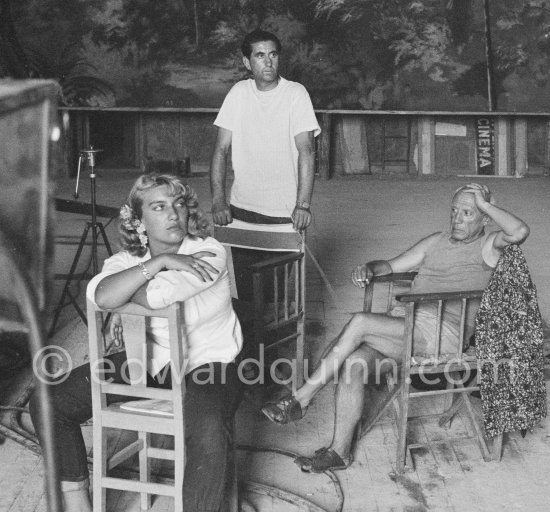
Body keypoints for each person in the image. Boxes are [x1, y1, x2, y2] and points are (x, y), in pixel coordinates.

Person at [261, 183, 530, 473]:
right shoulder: (435, 242)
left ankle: (301, 398)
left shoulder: (488, 247)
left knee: (360, 322)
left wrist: (485, 203)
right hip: (406, 328)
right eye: (454, 211)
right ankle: (339, 453)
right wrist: (369, 268)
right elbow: (388, 266)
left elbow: (520, 232)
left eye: (467, 213)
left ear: (484, 218)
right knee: (354, 362)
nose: (457, 218)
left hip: (441, 337)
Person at [30, 174, 243, 512]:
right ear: (139, 220)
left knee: (208, 425)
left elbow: (161, 296)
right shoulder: (127, 260)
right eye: (159, 207)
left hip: (209, 365)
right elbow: (98, 293)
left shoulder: (209, 251)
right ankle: (77, 502)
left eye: (179, 205)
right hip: (148, 362)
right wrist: (157, 262)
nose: (174, 214)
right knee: (48, 401)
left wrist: (122, 299)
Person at [209, 28, 321, 301]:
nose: (268, 62)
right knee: (241, 295)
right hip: (240, 210)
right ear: (247, 63)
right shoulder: (238, 93)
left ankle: (273, 343)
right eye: (260, 56)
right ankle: (247, 344)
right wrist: (218, 200)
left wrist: (303, 204)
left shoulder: (296, 93)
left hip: (284, 213)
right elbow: (221, 150)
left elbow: (307, 150)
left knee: (278, 298)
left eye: (272, 55)